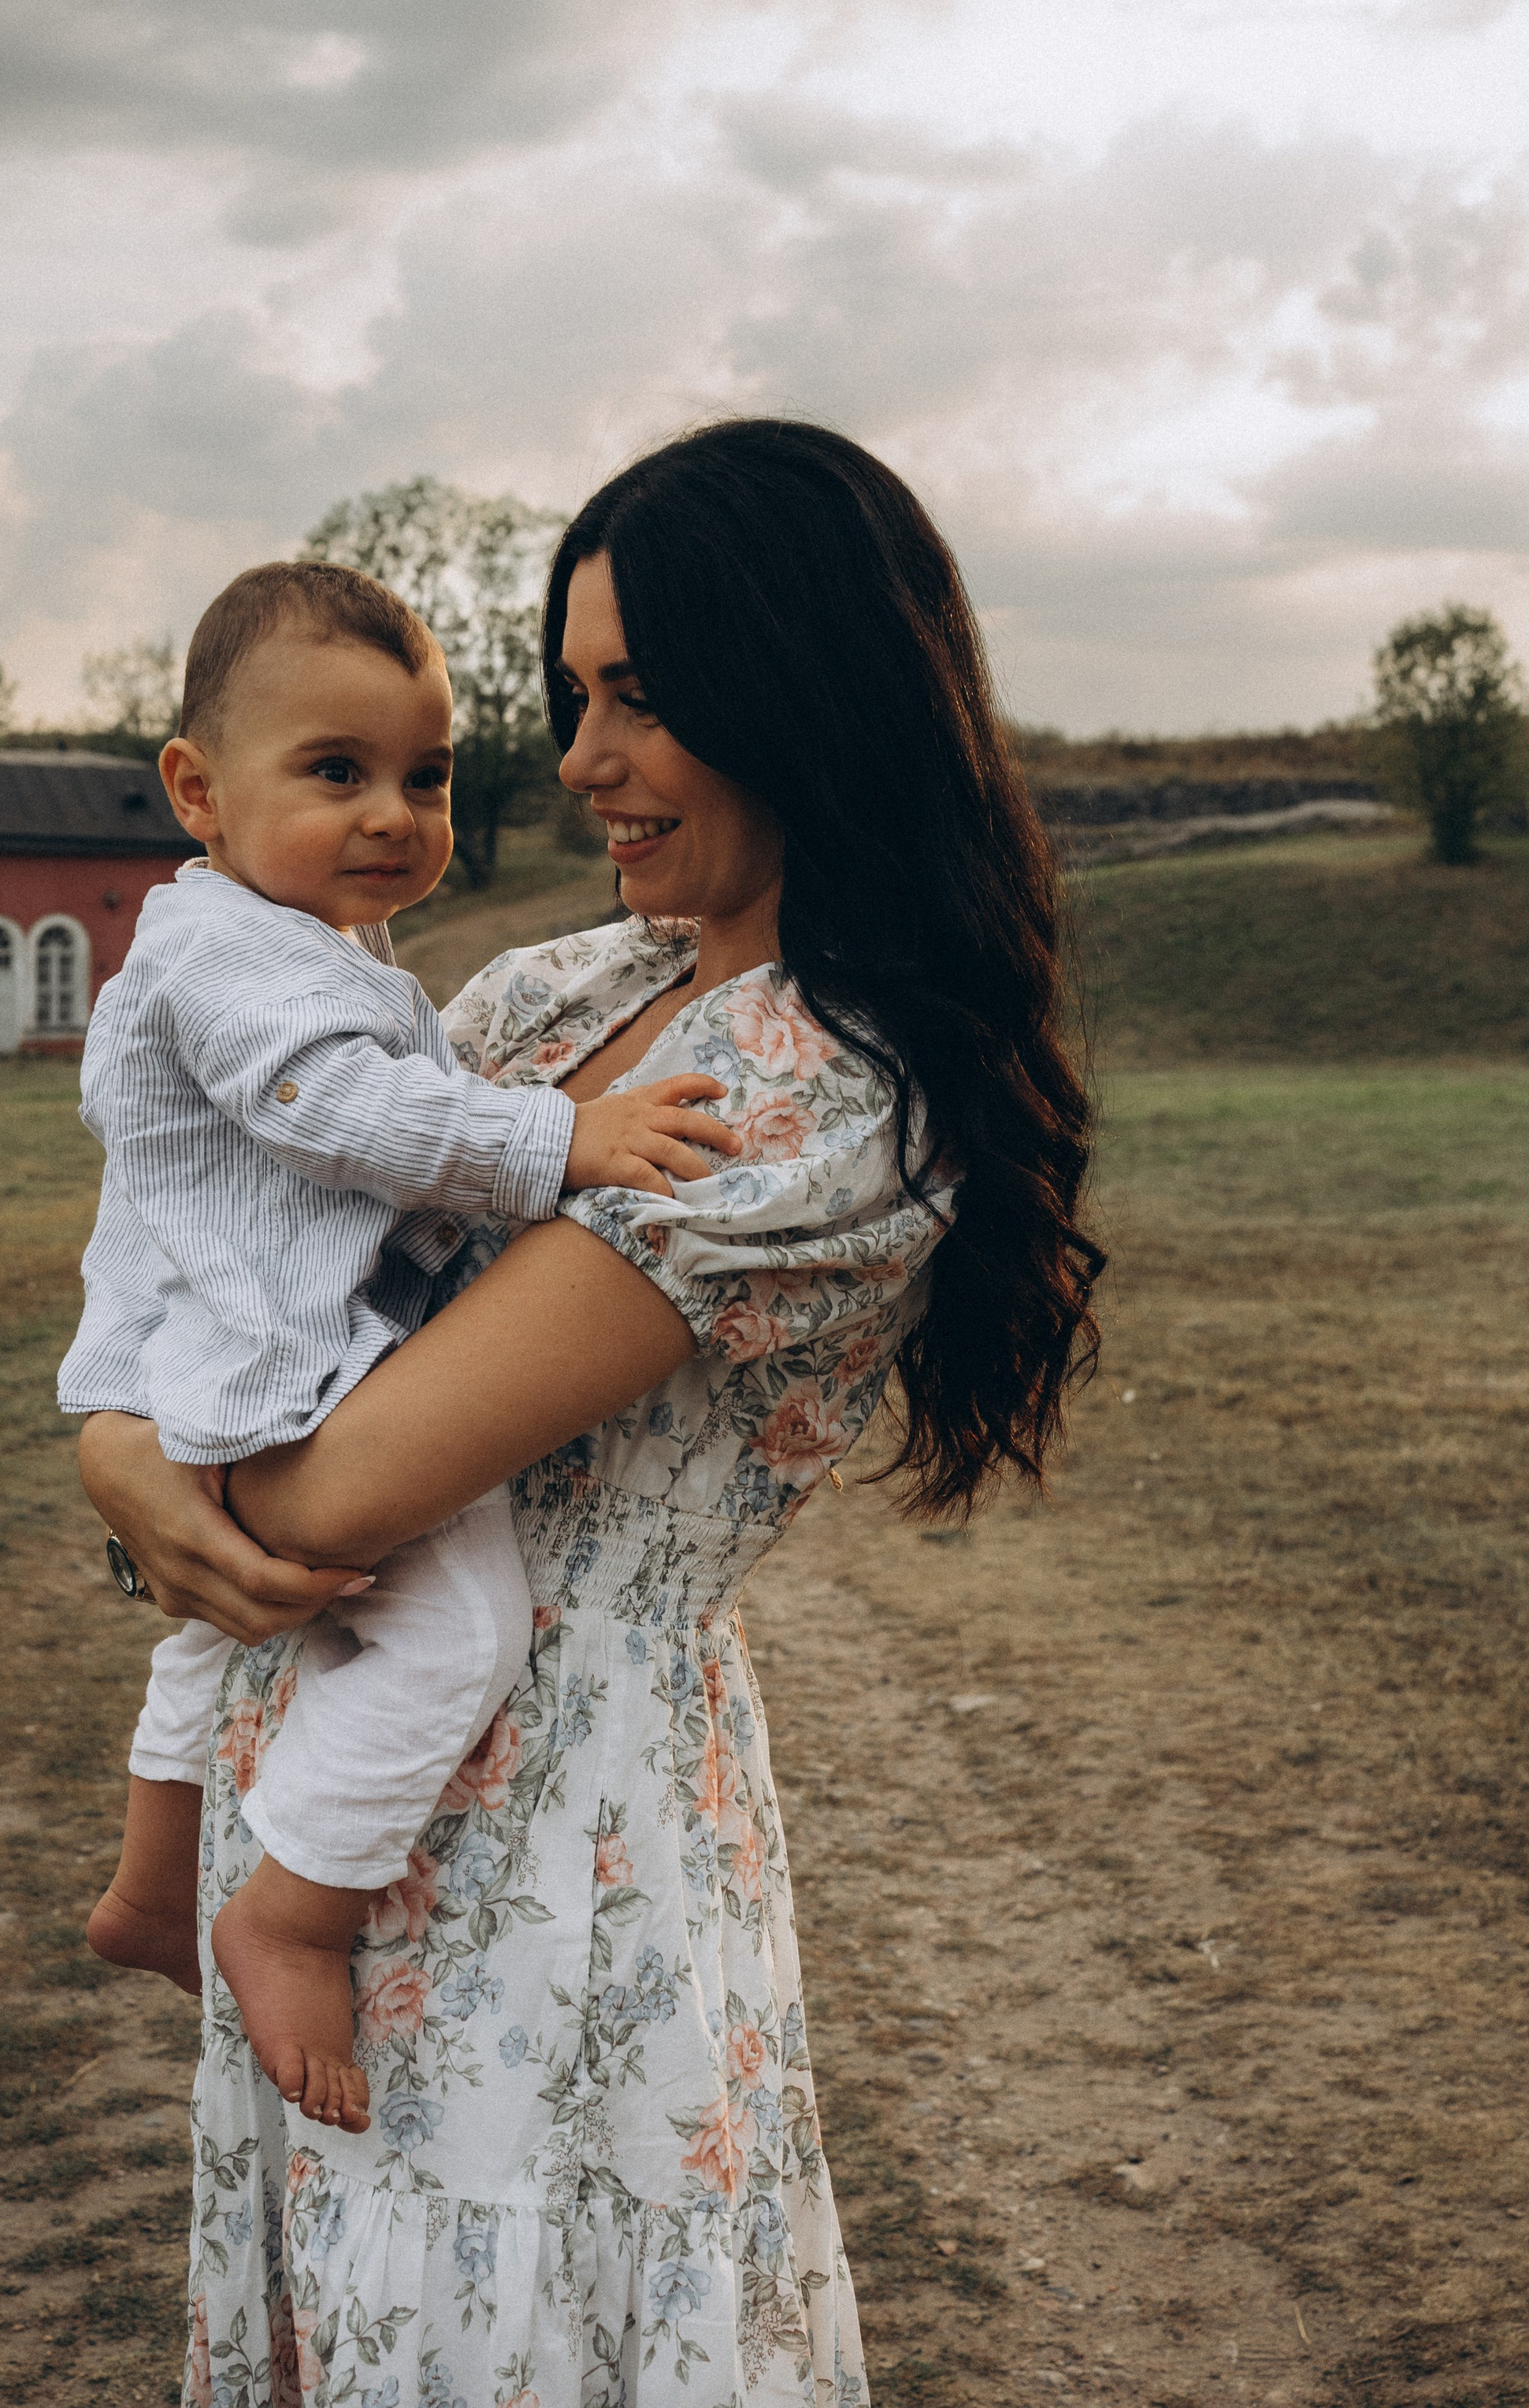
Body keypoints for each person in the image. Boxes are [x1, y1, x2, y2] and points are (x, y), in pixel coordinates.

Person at [81, 419, 1103, 2407]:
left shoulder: (819, 1094)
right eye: (568, 695)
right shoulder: (560, 998)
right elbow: (244, 1260)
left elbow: (333, 1472)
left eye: (640, 696)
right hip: (331, 1790)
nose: (577, 758)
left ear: (799, 695)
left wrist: (141, 1463)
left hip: (550, 1864)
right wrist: (115, 1448)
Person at [61, 556, 735, 2127]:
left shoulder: (300, 938)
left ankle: (158, 1881)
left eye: (424, 777)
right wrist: (557, 1138)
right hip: (275, 1367)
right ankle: (286, 1912)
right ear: (194, 791)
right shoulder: (241, 956)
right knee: (439, 1635)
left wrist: (123, 1449)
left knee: (222, 1625)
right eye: (336, 772)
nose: (392, 814)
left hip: (254, 1362)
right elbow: (332, 1109)